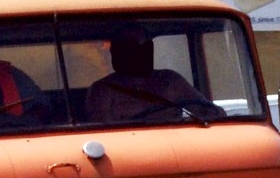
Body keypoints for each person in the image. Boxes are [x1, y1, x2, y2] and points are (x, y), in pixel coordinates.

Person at [85, 25, 225, 123]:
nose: (133, 53)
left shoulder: (169, 80)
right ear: (115, 53)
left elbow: (207, 112)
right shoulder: (102, 90)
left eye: (138, 47)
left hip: (177, 145)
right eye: (126, 48)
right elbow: (104, 133)